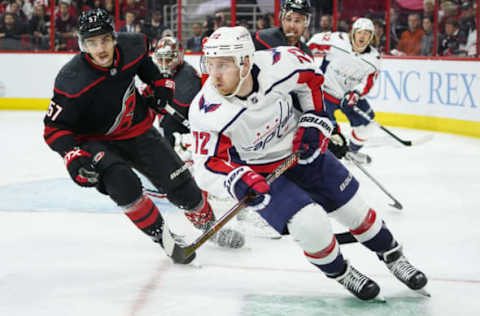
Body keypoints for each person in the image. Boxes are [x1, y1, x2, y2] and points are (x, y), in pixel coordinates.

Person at [190, 26, 429, 301]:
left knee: (355, 211)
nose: (214, 74)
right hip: (262, 175)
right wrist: (237, 180)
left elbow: (312, 81)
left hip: (302, 151)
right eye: (211, 64)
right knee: (310, 225)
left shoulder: (280, 64)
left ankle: (393, 255)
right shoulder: (207, 109)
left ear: (245, 61)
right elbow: (206, 165)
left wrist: (314, 120)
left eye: (223, 65)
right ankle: (342, 272)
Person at [42, 8, 228, 265]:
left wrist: (160, 84)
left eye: (105, 39)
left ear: (114, 37)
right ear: (83, 45)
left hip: (137, 129)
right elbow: (54, 128)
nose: (101, 48)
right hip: (94, 141)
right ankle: (162, 236)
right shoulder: (71, 79)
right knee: (123, 183)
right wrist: (72, 156)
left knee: (181, 185)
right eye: (93, 42)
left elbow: (143, 66)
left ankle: (209, 224)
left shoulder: (133, 46)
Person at [308, 18, 381, 164]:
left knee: (367, 126)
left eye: (367, 33)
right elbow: (312, 43)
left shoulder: (374, 59)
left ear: (372, 37)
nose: (363, 36)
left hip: (348, 98)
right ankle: (332, 155)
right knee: (329, 132)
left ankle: (351, 152)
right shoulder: (337, 41)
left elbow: (368, 82)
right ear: (353, 33)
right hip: (325, 93)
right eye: (360, 32)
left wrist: (356, 93)